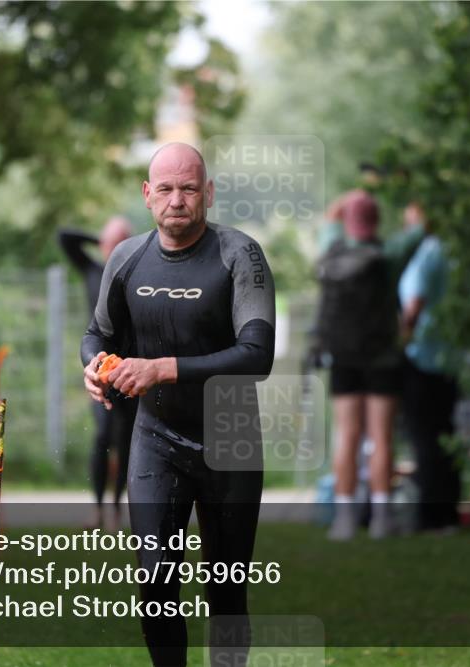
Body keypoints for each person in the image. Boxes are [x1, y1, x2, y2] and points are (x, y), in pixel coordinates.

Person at [81, 142, 275, 667]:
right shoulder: (126, 259)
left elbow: (258, 356)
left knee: (226, 596)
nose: (177, 200)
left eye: (189, 188)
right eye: (165, 189)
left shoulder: (240, 254)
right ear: (147, 195)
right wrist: (92, 368)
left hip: (229, 440)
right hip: (157, 438)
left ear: (207, 193)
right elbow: (96, 333)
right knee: (155, 584)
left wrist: (161, 367)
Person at [317, 190, 423, 540]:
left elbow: (331, 215)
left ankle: (344, 521)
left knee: (346, 436)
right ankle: (381, 519)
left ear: (348, 220)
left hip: (343, 355)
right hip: (383, 356)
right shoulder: (389, 254)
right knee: (382, 437)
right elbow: (421, 224)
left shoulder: (332, 249)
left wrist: (349, 196)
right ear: (376, 220)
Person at [58, 216, 136, 530]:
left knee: (126, 441)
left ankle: (117, 509)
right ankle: (97, 509)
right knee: (102, 436)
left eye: (121, 242)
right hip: (100, 369)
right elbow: (65, 234)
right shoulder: (93, 271)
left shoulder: (135, 275)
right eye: (109, 242)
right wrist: (101, 238)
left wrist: (121, 244)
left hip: (131, 372)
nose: (113, 247)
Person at [398, 202, 460, 533]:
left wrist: (399, 342)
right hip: (450, 357)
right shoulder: (452, 251)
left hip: (422, 356)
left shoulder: (427, 251)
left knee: (424, 438)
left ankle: (430, 516)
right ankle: (448, 513)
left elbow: (414, 304)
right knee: (446, 435)